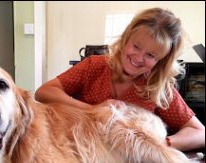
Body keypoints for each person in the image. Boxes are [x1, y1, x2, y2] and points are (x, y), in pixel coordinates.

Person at [35, 8, 205, 151]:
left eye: (150, 55)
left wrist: (161, 144)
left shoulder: (158, 87)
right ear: (125, 40)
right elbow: (43, 92)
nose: (138, 58)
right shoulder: (94, 66)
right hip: (83, 151)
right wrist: (92, 110)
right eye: (136, 47)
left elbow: (200, 132)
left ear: (161, 60)